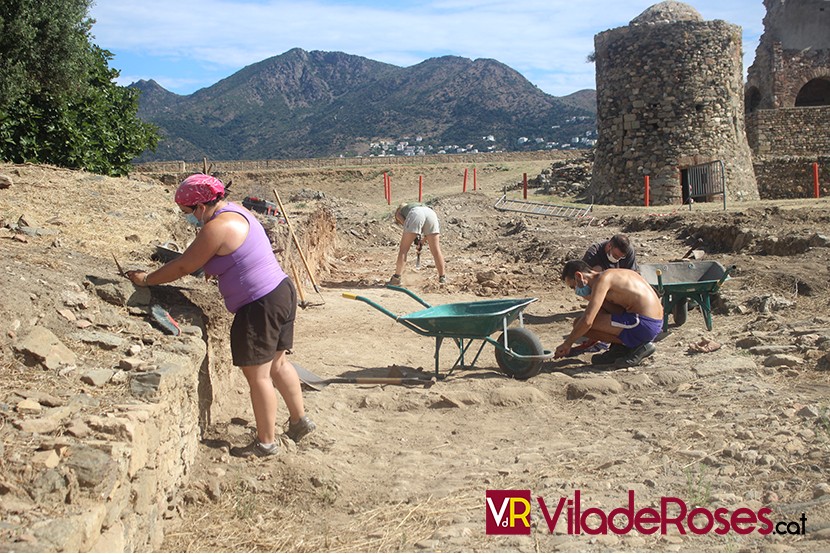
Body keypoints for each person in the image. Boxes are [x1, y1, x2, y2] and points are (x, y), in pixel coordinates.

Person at [126, 174, 315, 458]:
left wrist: (147, 280)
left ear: (201, 207)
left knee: (258, 376)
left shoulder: (216, 227)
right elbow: (231, 257)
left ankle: (266, 443)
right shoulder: (237, 211)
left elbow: (183, 267)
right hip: (279, 291)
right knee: (278, 363)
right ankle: (300, 422)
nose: (189, 219)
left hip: (258, 304)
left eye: (188, 213)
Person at [553, 260, 663, 367]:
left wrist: (567, 343)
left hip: (644, 323)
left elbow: (587, 321)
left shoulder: (603, 280)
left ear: (579, 276)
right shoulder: (612, 275)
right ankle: (620, 349)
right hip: (650, 321)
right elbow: (613, 310)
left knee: (579, 324)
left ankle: (639, 346)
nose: (576, 291)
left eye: (573, 287)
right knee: (583, 326)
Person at [388, 202, 446, 285]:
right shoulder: (418, 205)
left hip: (416, 213)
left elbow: (407, 225)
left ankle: (396, 277)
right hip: (431, 213)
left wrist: (414, 237)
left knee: (403, 249)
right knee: (436, 250)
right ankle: (442, 277)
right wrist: (421, 241)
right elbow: (426, 233)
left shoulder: (399, 212)